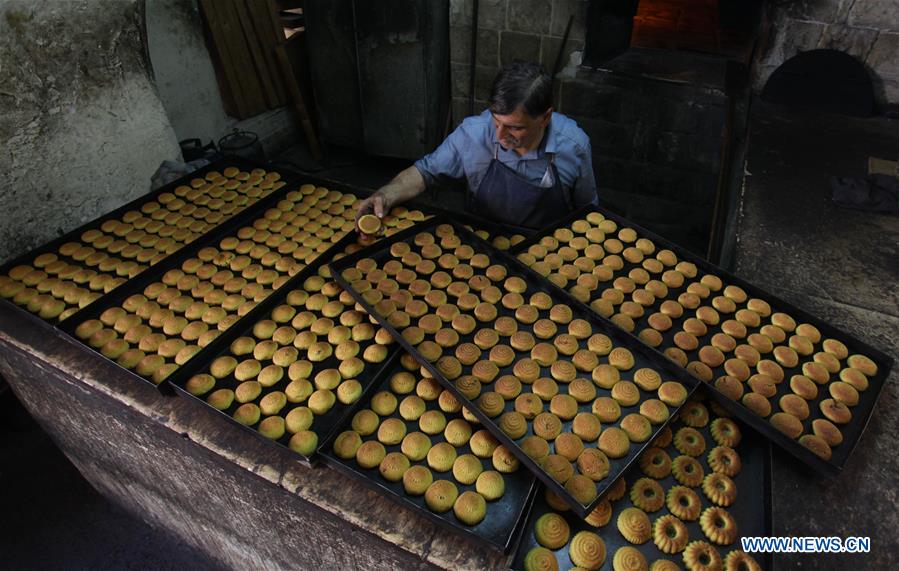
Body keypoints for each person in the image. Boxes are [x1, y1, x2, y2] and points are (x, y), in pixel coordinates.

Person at [356, 61, 597, 230]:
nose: (500, 135)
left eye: (515, 127)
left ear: (545, 118)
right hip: (481, 247)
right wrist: (386, 195)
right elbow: (425, 172)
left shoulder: (574, 146)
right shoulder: (473, 133)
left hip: (545, 256)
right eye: (496, 121)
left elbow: (588, 214)